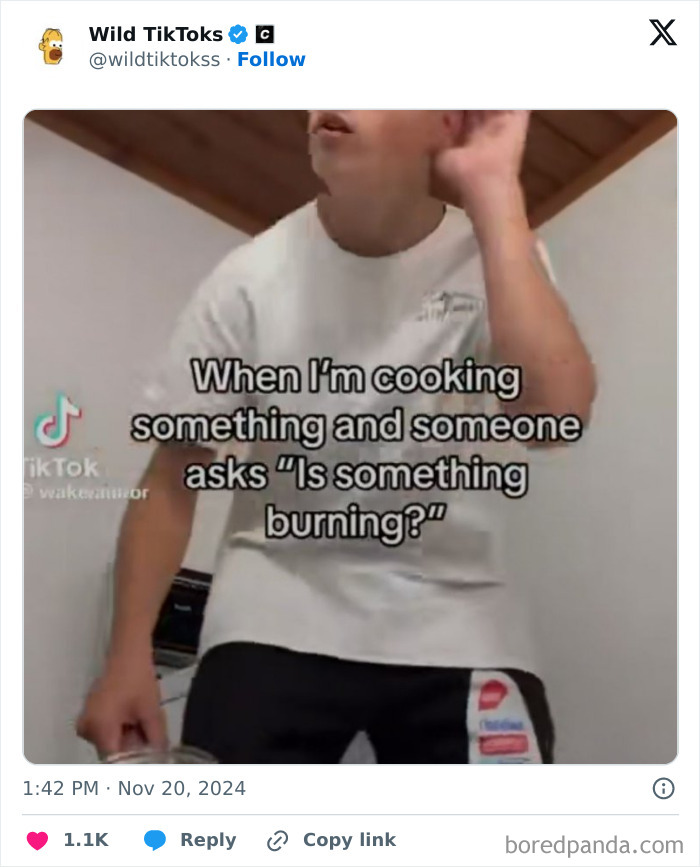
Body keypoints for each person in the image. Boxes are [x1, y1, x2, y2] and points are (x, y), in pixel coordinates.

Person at [77, 111, 595, 763]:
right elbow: (172, 474)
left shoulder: (498, 253)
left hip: (463, 620)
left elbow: (555, 418)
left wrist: (495, 189)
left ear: (444, 123)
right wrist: (126, 656)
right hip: (275, 610)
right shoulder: (248, 278)